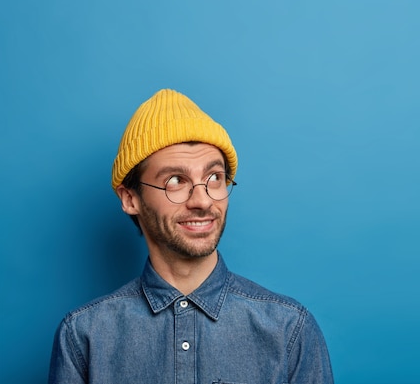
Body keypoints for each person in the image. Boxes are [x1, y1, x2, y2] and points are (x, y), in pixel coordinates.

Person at [48, 88, 334, 384]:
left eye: (215, 178)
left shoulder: (290, 329)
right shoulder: (83, 336)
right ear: (130, 198)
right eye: (175, 181)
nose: (203, 200)